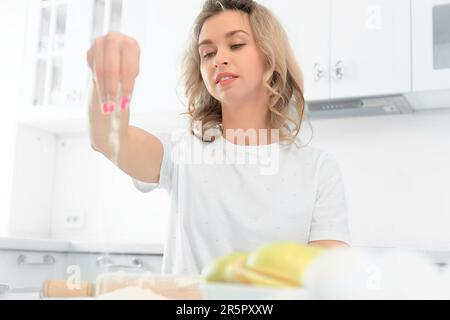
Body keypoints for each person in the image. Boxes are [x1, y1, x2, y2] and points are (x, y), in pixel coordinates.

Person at [87, 0, 351, 275]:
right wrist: (105, 80)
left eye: (236, 45)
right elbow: (107, 138)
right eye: (207, 53)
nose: (218, 60)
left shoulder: (319, 168)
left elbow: (327, 272)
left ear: (271, 57)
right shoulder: (183, 150)